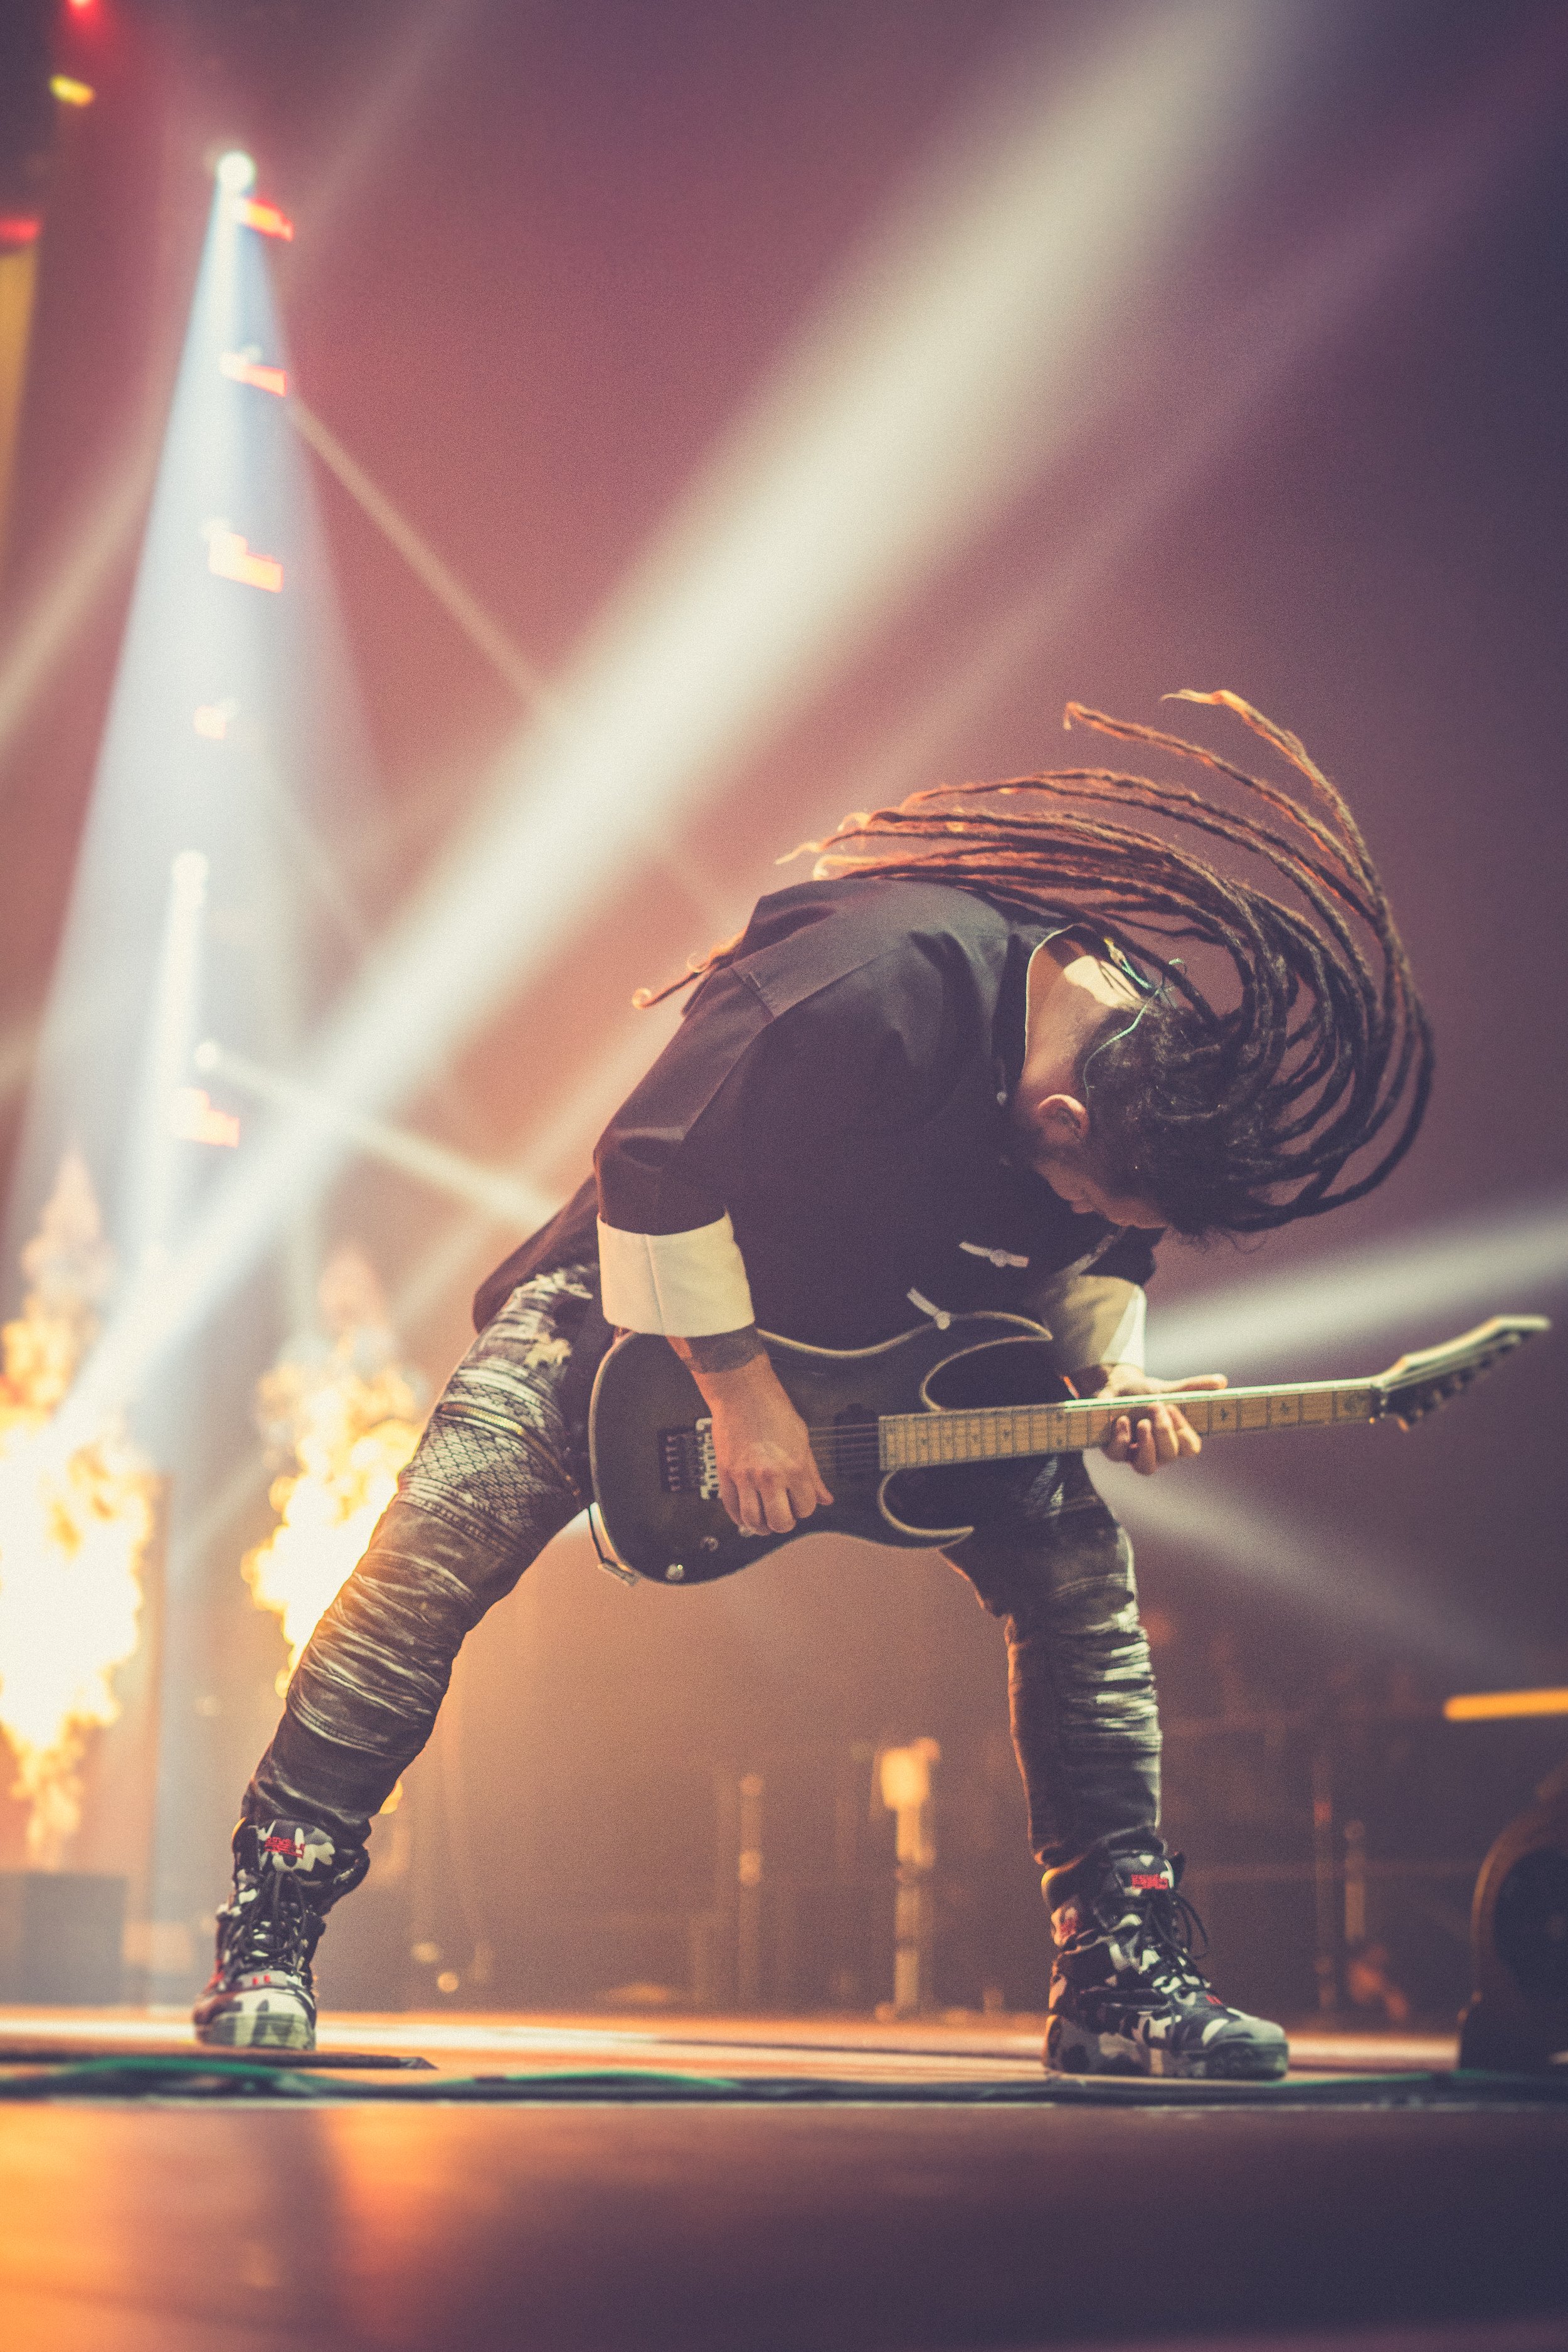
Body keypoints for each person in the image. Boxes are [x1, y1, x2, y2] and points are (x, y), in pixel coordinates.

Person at [193, 691, 1431, 2075]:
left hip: (902, 1355)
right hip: (632, 1326)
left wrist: (1113, 1367)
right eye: (1083, 1180)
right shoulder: (874, 973)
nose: (1094, 1210)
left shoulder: (1152, 1065)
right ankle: (269, 1927)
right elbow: (649, 1164)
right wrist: (739, 1391)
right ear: (1057, 1113)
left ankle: (1117, 1977)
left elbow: (1106, 1243)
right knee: (429, 1556)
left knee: (1078, 1582)